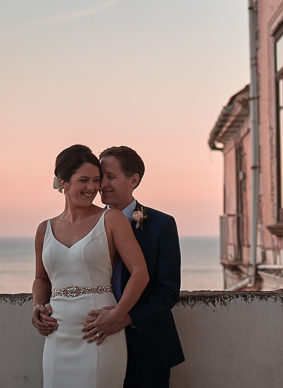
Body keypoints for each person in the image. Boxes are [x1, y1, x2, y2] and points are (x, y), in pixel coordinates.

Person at [32, 144, 149, 388]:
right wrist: (38, 307)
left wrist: (117, 316)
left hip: (99, 332)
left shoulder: (112, 219)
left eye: (96, 180)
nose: (92, 188)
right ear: (62, 182)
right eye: (83, 180)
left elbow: (140, 274)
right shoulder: (44, 229)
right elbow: (42, 279)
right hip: (57, 334)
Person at [82, 146, 185, 388]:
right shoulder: (86, 226)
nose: (101, 185)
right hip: (96, 344)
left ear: (133, 180)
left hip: (147, 347)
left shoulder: (162, 224)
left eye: (110, 177)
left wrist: (124, 318)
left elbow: (168, 292)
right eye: (100, 177)